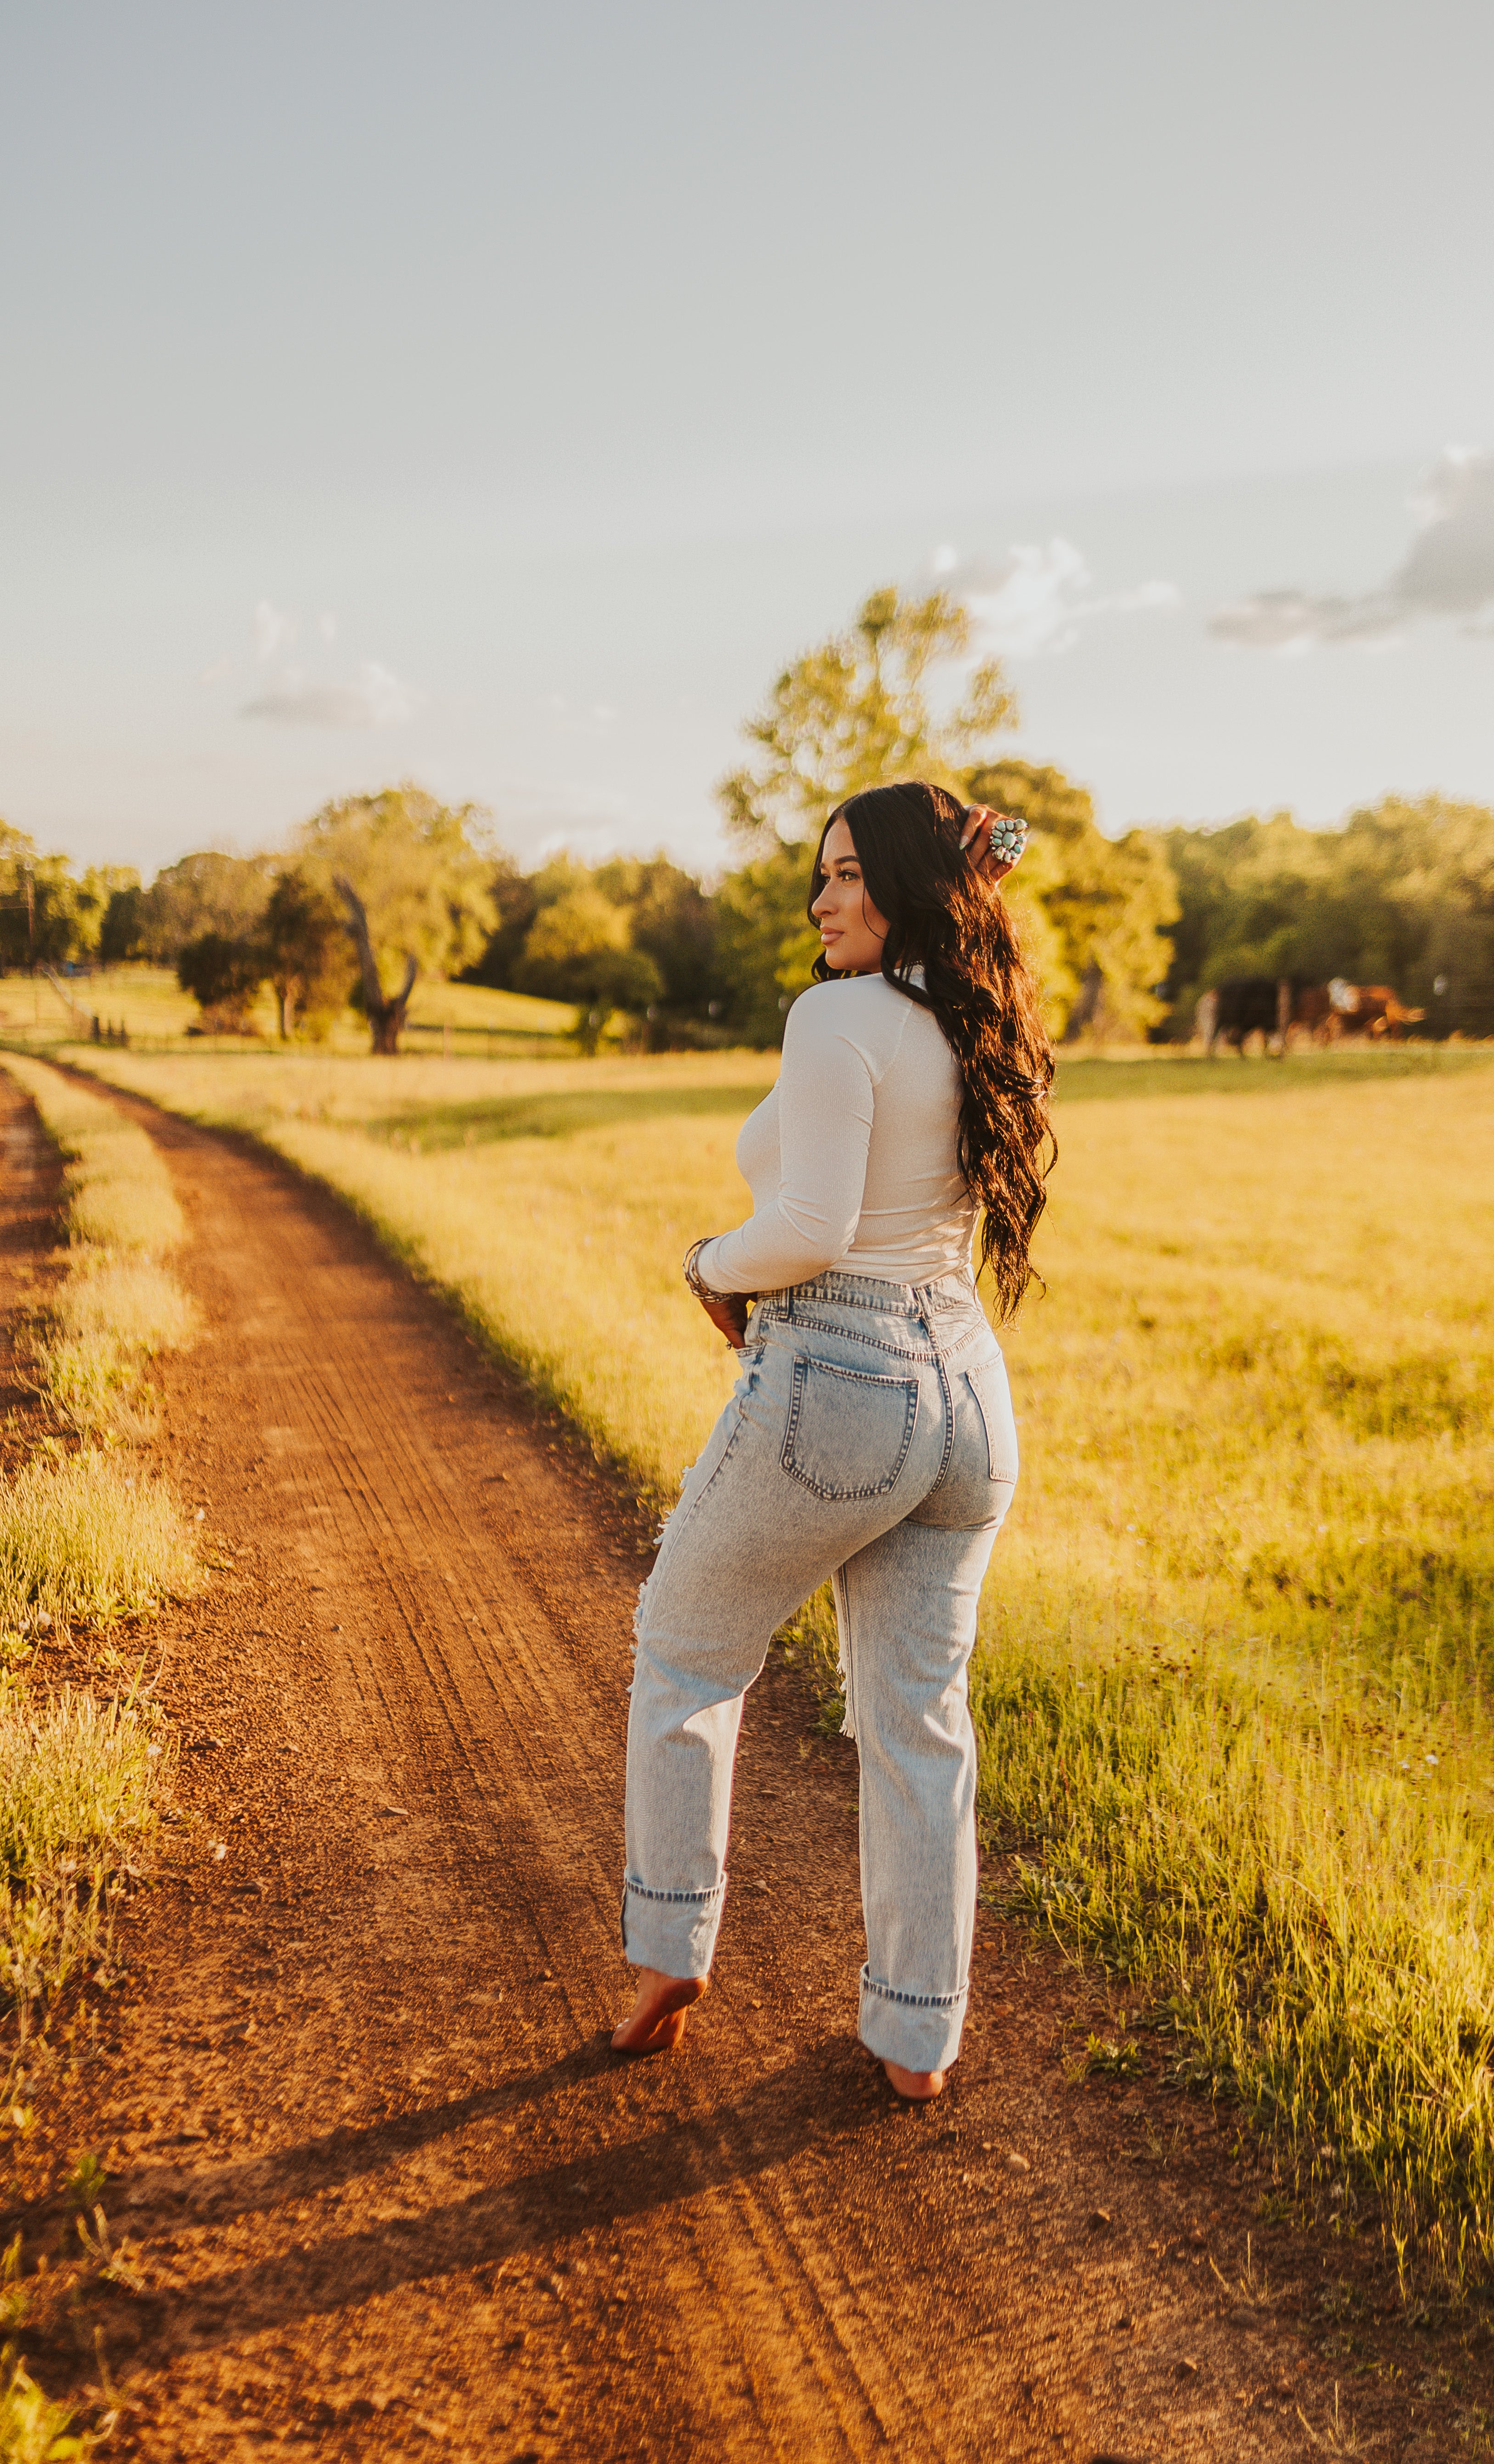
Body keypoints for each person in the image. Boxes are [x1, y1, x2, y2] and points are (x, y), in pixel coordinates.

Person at [612, 779, 1056, 2100]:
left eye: (851, 873)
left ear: (910, 886)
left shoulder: (838, 1018)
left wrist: (707, 1263)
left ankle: (666, 1953)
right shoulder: (975, 1022)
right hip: (969, 1397)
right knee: (920, 1718)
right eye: (822, 875)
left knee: (686, 1646)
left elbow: (810, 1228)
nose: (822, 899)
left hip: (842, 1382)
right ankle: (917, 2038)